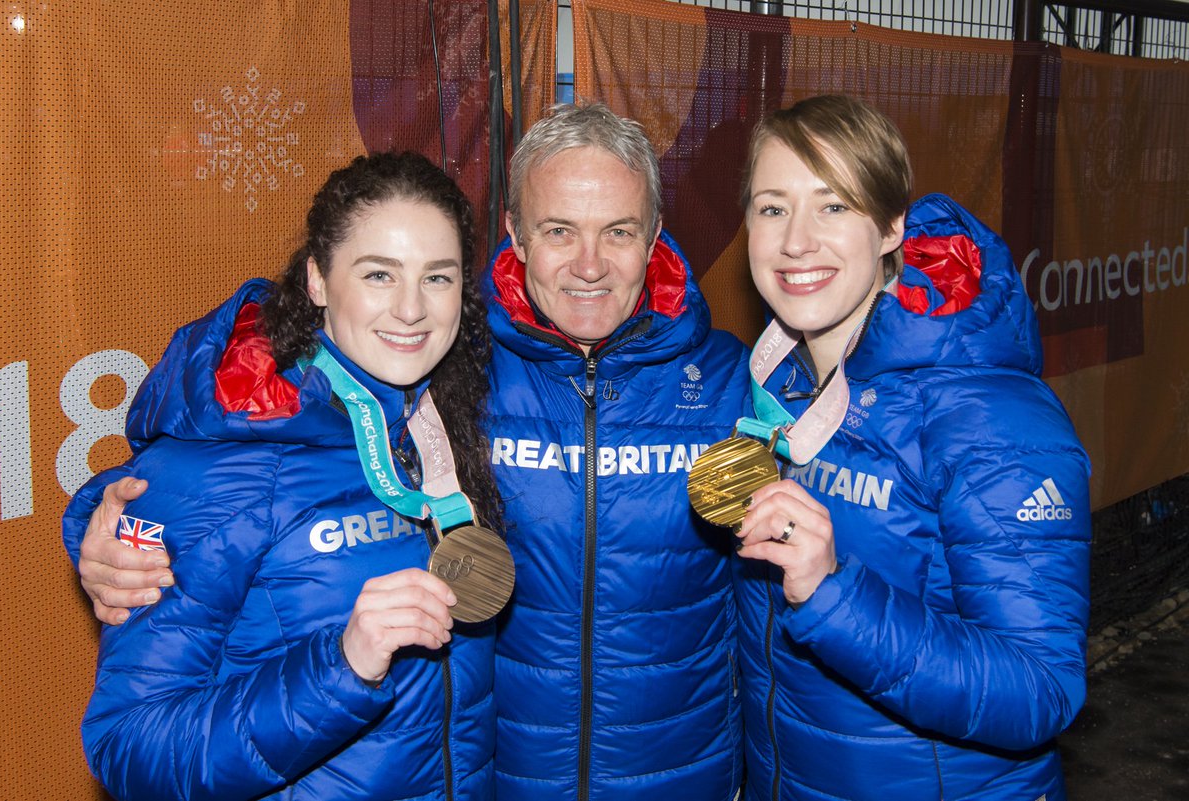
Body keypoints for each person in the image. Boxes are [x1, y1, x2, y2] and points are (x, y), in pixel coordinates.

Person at [69, 103, 751, 801]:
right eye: (558, 230)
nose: (588, 264)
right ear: (514, 237)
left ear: (654, 237)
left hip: (679, 775)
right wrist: (113, 521)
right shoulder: (467, 373)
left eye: (618, 231)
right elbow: (226, 449)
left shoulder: (723, 381)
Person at [62, 151, 502, 800]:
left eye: (437, 278)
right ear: (318, 280)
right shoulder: (219, 462)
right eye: (379, 274)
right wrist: (340, 666)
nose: (412, 309)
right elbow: (128, 744)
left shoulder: (442, 414)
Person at [731, 94, 1091, 800]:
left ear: (892, 223)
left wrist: (835, 596)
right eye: (773, 207)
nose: (796, 240)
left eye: (834, 206)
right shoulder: (779, 386)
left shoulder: (991, 416)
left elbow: (1040, 689)